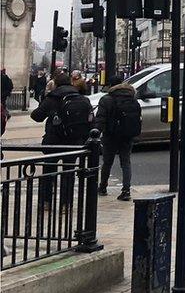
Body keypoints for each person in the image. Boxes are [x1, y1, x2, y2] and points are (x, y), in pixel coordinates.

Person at [30, 71, 93, 207]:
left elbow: (36, 116)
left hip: (54, 140)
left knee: (49, 171)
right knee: (68, 173)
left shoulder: (52, 99)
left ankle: (46, 201)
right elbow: (89, 120)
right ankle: (66, 203)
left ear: (56, 84)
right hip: (74, 141)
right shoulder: (82, 99)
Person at [95, 74, 142, 201]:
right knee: (125, 162)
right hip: (127, 134)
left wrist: (95, 133)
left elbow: (101, 118)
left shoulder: (107, 99)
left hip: (110, 135)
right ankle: (126, 190)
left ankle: (103, 187)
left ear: (111, 86)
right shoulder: (132, 98)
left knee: (107, 162)